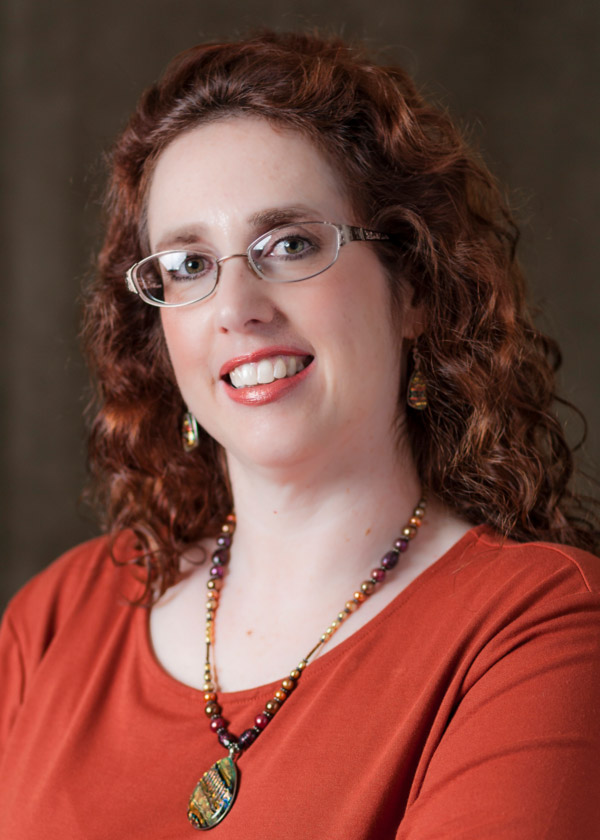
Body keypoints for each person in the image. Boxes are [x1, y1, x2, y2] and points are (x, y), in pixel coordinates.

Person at [1, 30, 599, 839]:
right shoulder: (56, 620)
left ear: (413, 282)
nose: (235, 306)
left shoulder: (537, 632)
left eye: (289, 244)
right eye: (186, 264)